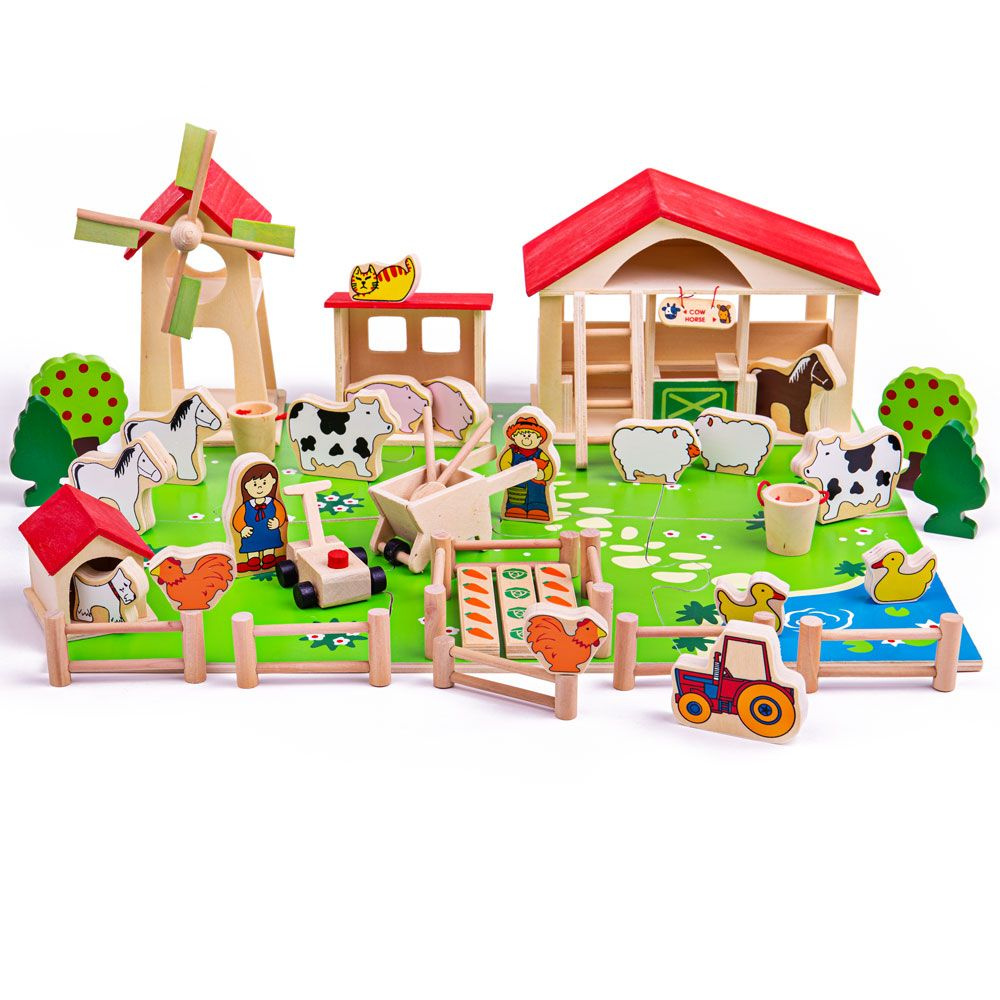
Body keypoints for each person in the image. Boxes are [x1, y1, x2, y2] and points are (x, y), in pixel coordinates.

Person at [498, 414, 556, 521]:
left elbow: (549, 468)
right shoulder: (511, 452)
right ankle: (515, 509)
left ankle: (538, 509)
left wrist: (543, 474)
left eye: (530, 435)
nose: (526, 437)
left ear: (539, 438)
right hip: (516, 482)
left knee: (538, 495)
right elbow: (504, 464)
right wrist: (508, 473)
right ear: (514, 437)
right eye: (522, 434)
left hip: (536, 483)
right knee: (516, 499)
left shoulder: (542, 454)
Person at [232, 462, 287, 572]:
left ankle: (269, 558)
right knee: (252, 548)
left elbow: (281, 513)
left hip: (270, 532)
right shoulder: (245, 506)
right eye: (255, 484)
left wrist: (278, 521)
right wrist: (242, 529)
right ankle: (253, 561)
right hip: (252, 534)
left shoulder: (274, 502)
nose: (260, 487)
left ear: (273, 482)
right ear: (246, 486)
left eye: (264, 482)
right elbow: (237, 519)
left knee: (270, 545)